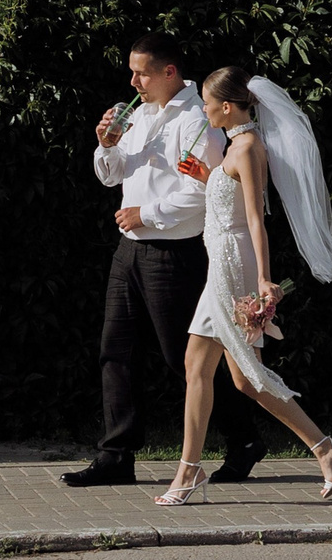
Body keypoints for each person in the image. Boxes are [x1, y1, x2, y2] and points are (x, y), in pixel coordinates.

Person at [60, 34, 268, 489]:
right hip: (129, 250)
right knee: (115, 351)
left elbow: (208, 193)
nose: (134, 81)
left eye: (142, 73)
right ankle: (116, 456)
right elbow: (110, 176)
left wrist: (146, 213)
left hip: (175, 253)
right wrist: (106, 145)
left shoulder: (199, 118)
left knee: (185, 359)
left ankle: (245, 439)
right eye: (132, 72)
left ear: (169, 72)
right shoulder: (138, 114)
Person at [155, 65, 332, 506]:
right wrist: (206, 178)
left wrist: (263, 278)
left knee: (242, 376)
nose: (204, 109)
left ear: (226, 107)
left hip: (233, 268)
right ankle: (194, 468)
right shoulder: (234, 147)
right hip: (221, 265)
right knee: (210, 369)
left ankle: (322, 448)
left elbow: (254, 220)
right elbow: (230, 199)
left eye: (207, 103)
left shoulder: (246, 147)